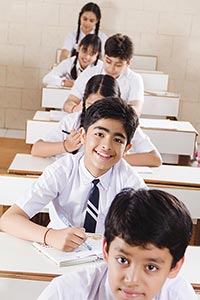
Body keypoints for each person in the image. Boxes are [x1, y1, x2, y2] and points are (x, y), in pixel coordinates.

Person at [0, 97, 147, 252]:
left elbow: (153, 229)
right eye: (99, 134)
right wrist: (50, 236)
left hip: (107, 257)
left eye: (117, 140)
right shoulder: (63, 170)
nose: (106, 146)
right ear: (83, 135)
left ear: (127, 148)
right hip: (57, 249)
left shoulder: (131, 183)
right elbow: (9, 219)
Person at [37, 188, 196, 300]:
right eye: (122, 260)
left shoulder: (179, 295)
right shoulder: (65, 292)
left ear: (175, 267)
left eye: (151, 267)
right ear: (106, 250)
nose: (132, 280)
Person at [32, 74, 162, 167]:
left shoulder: (125, 124)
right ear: (84, 102)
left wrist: (113, 158)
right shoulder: (72, 121)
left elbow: (155, 159)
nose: (95, 112)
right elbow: (37, 149)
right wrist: (66, 146)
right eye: (90, 104)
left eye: (102, 106)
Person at [63, 33, 144, 116]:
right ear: (104, 56)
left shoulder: (134, 79)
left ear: (128, 63)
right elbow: (68, 103)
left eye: (118, 65)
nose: (111, 68)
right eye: (108, 61)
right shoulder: (90, 72)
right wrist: (76, 109)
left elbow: (135, 111)